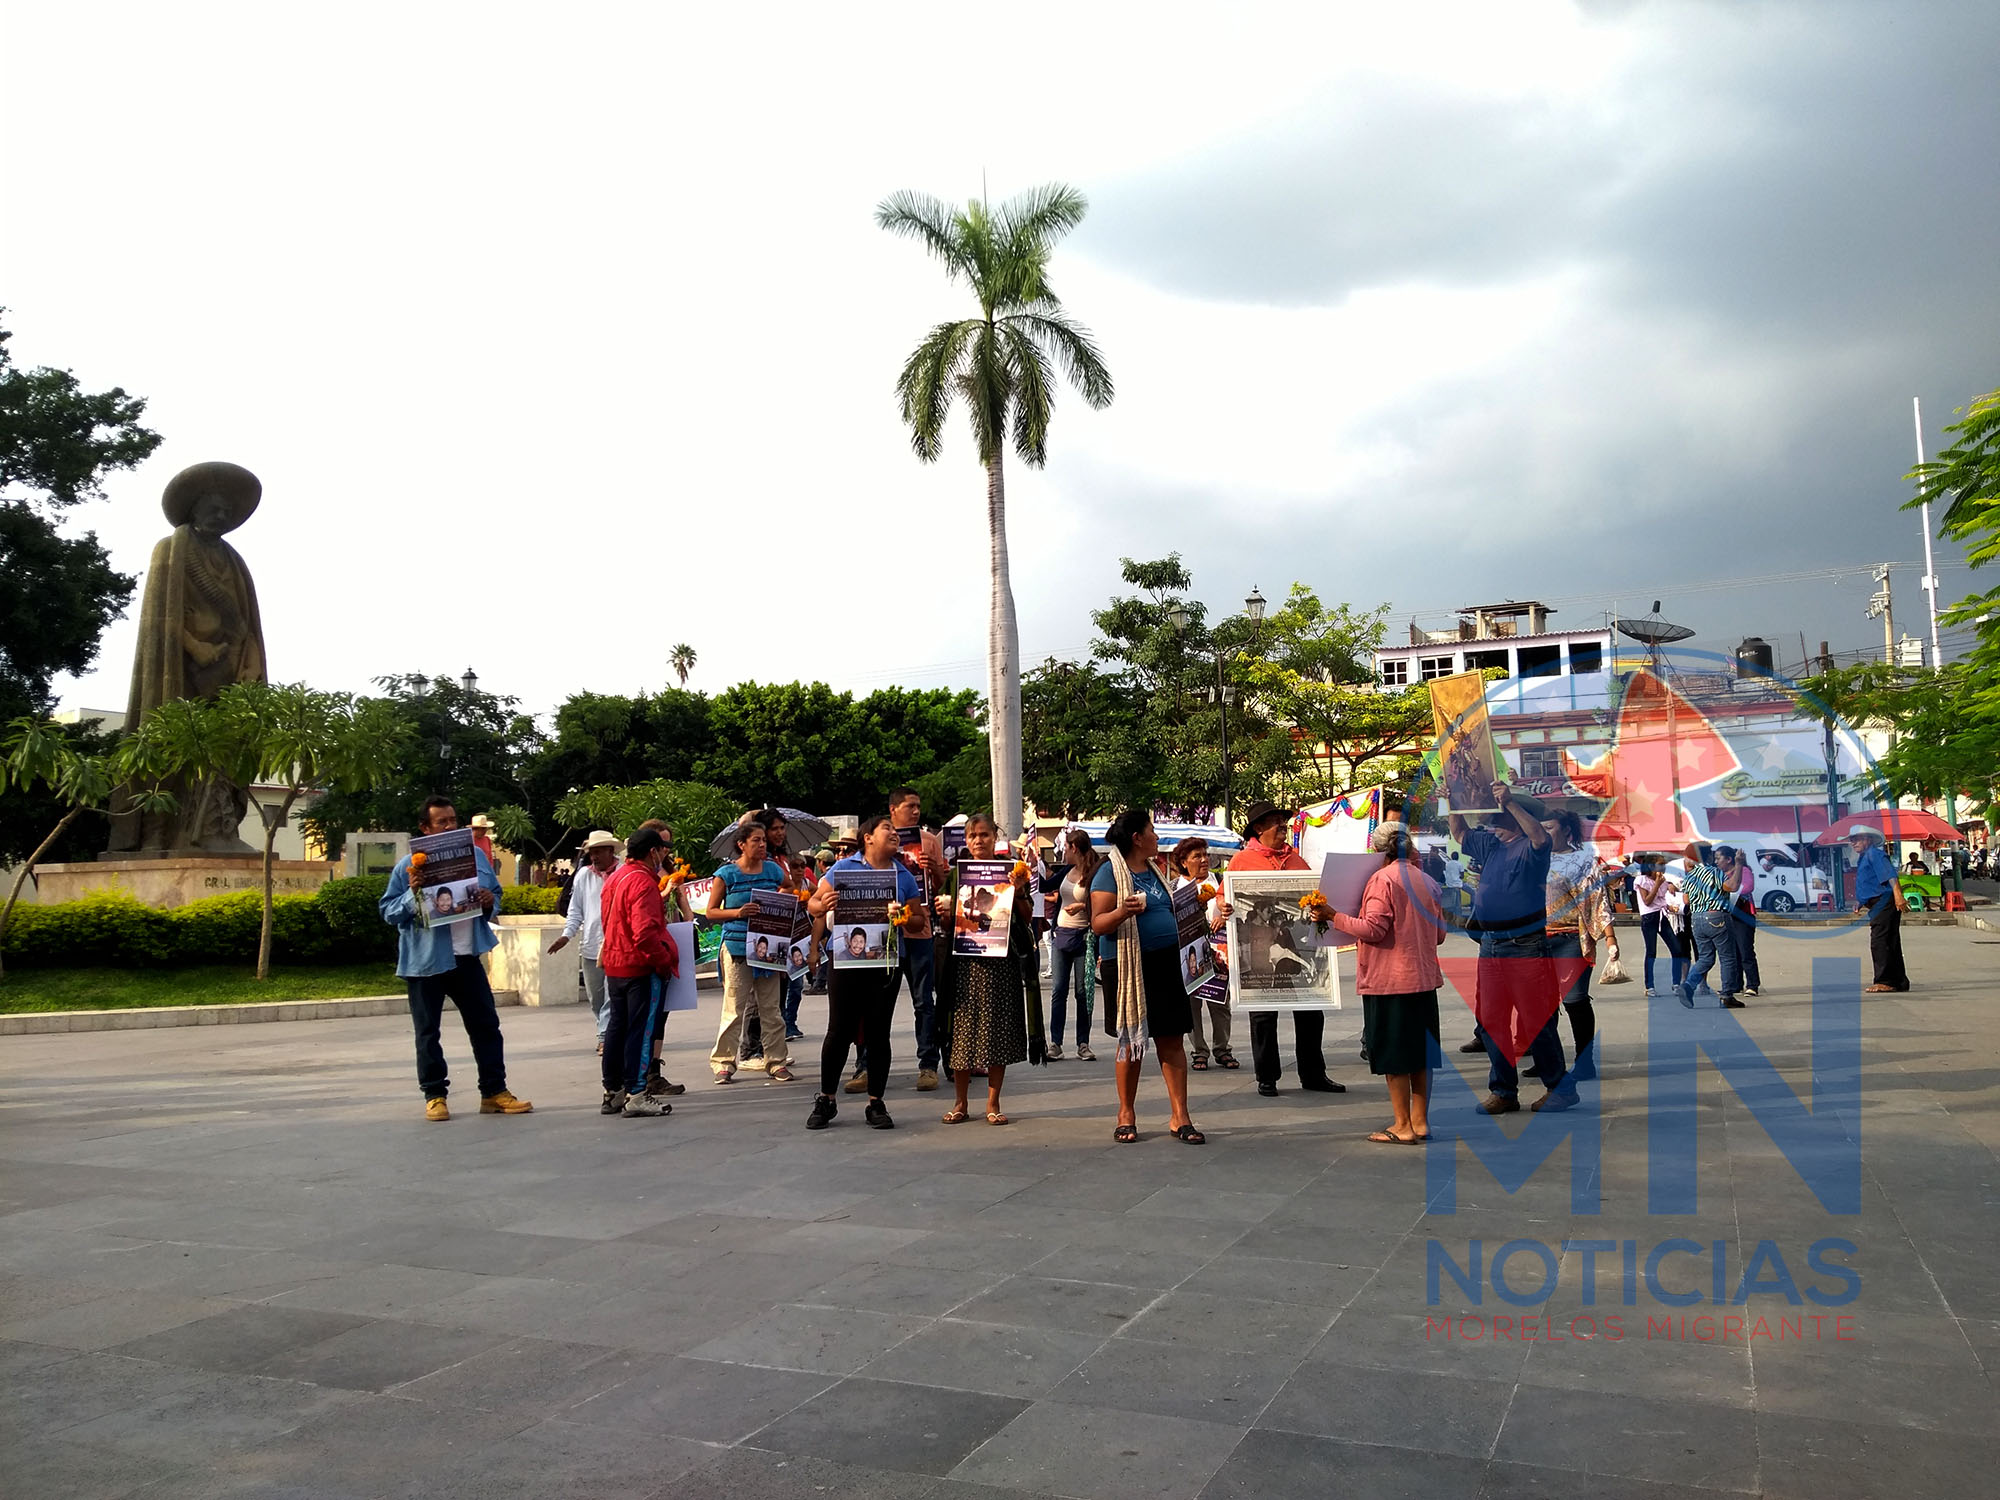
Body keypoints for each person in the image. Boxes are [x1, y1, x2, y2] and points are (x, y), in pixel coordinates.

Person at [378, 796, 532, 1122]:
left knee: (486, 1026)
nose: (450, 826)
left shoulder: (475, 856)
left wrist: (490, 900)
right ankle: (434, 1096)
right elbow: (389, 912)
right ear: (425, 828)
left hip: (466, 956)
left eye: (453, 820)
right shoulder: (408, 866)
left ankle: (493, 1091)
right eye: (441, 822)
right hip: (425, 962)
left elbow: (495, 896)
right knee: (427, 1032)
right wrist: (412, 892)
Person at [1449, 783, 1575, 1114]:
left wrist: (1512, 804)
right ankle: (1504, 1090)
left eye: (1498, 816)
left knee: (1536, 1019)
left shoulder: (1530, 847)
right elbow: (1460, 832)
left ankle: (1559, 1087)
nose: (1491, 822)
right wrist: (1451, 799)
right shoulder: (1491, 845)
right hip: (1490, 944)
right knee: (1491, 1020)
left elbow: (1540, 838)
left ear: (1515, 819)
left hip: (1525, 945)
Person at [1329, 823, 1449, 1144]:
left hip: (1390, 982)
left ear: (1378, 853)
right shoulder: (1427, 881)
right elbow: (1439, 935)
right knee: (1421, 1055)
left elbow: (1373, 929)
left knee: (1394, 1054)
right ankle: (1420, 1122)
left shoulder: (1382, 880)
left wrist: (1333, 915)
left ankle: (1401, 1125)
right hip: (1423, 980)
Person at [1091, 808, 1202, 1143]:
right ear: (1137, 838)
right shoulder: (1109, 873)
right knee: (1131, 1041)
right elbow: (1098, 924)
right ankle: (1126, 1113)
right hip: (1128, 967)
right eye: (1152, 831)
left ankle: (1180, 1116)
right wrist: (1122, 911)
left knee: (1172, 1038)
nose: (1157, 837)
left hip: (1168, 963)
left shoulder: (1155, 871)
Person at [804, 813, 921, 1130]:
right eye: (887, 829)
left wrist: (903, 916)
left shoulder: (903, 876)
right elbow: (813, 905)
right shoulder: (843, 868)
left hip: (884, 963)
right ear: (868, 837)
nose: (894, 833)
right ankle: (826, 1099)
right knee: (838, 1030)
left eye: (896, 831)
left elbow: (919, 922)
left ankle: (876, 1102)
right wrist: (822, 903)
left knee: (878, 1033)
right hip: (845, 962)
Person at [934, 813, 1042, 1124]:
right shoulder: (957, 875)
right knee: (962, 1034)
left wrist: (1019, 889)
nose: (979, 841)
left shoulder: (1012, 871)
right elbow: (946, 923)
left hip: (1000, 962)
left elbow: (1025, 915)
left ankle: (993, 1103)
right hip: (964, 963)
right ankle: (961, 1102)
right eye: (973, 836)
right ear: (965, 841)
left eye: (984, 835)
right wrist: (944, 910)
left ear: (995, 838)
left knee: (997, 1031)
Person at [1229, 801, 1342, 1098]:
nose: (1283, 826)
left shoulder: (1296, 860)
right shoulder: (1241, 861)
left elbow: (1311, 894)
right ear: (1258, 828)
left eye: (1284, 821)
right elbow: (1222, 898)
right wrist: (1221, 906)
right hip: (1261, 955)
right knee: (1263, 1016)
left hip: (1292, 949)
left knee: (1311, 1010)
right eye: (1276, 822)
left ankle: (1313, 1074)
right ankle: (1267, 1076)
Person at [854, 787, 949, 1093]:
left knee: (924, 1002)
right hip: (882, 936)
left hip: (919, 933)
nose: (916, 811)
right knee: (874, 1003)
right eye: (910, 806)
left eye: (919, 806)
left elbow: (941, 883)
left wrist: (931, 868)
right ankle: (866, 1066)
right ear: (893, 810)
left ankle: (927, 1065)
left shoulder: (928, 840)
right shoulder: (880, 840)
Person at [597, 827, 680, 1117]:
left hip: (616, 963)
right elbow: (644, 933)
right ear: (652, 851)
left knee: (616, 1029)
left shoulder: (616, 877)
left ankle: (613, 1091)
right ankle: (636, 1092)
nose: (664, 855)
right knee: (642, 1032)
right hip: (639, 966)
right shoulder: (644, 882)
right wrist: (662, 961)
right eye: (662, 850)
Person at [705, 820, 796, 1083]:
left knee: (771, 1008)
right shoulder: (726, 874)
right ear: (741, 845)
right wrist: (738, 912)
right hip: (735, 947)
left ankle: (776, 1061)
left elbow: (789, 886)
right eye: (755, 840)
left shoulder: (772, 869)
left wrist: (777, 901)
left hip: (768, 947)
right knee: (734, 1007)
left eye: (763, 840)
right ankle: (724, 1062)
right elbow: (711, 912)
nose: (762, 844)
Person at [1542, 809, 1610, 1081]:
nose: (1544, 833)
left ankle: (1585, 1061)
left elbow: (1597, 899)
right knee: (1543, 1006)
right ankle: (1548, 1060)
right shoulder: (1535, 857)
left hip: (1571, 937)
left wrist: (1610, 938)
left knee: (1575, 1001)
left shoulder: (1583, 859)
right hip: (1537, 940)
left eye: (1549, 827)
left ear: (1567, 831)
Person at [547, 830, 621, 1054]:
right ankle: (606, 1030)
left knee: (612, 995)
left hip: (617, 945)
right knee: (596, 998)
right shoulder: (583, 876)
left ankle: (605, 1038)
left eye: (598, 852)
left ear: (610, 851)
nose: (594, 857)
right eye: (591, 853)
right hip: (590, 945)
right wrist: (566, 935)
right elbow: (575, 911)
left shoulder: (623, 873)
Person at [1168, 837, 1237, 1071]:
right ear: (1184, 862)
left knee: (1220, 1003)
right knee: (1191, 1005)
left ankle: (1222, 1048)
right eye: (1197, 856)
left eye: (1205, 855)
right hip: (1188, 954)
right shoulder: (1174, 888)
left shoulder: (1219, 882)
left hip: (1218, 951)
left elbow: (1236, 910)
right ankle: (1199, 1050)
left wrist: (1225, 915)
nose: (1204, 860)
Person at [1046, 828, 1100, 1062]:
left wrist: (1081, 907)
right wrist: (1032, 864)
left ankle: (1083, 1043)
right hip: (1061, 935)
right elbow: (1045, 886)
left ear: (1074, 848)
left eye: (1065, 848)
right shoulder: (1067, 871)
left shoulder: (1095, 872)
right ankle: (1055, 1043)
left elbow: (1103, 903)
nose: (1063, 853)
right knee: (1058, 990)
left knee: (1082, 992)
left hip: (1084, 938)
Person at [1674, 841, 1742, 1009]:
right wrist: (1739, 864)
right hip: (1716, 916)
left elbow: (1686, 900)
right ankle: (1727, 995)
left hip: (1696, 919)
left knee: (1705, 957)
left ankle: (1688, 985)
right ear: (1709, 856)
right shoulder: (1714, 873)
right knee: (1727, 958)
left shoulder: (1689, 876)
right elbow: (1732, 887)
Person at [1849, 825, 1909, 993]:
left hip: (1884, 902)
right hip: (1877, 903)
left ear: (1868, 839)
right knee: (1890, 941)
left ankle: (1885, 980)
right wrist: (1861, 901)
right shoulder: (1864, 857)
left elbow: (1890, 875)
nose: (1853, 843)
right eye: (1852, 840)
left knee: (1880, 941)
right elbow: (1869, 882)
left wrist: (1898, 896)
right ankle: (1899, 981)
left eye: (1857, 839)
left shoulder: (1875, 854)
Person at [1633, 853, 1687, 997]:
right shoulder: (1641, 880)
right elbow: (1648, 901)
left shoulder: (1664, 881)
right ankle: (1649, 986)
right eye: (1660, 864)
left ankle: (1676, 983)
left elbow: (1661, 900)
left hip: (1662, 916)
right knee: (1651, 952)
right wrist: (1657, 884)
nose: (1663, 867)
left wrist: (1670, 907)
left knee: (1677, 949)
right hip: (1649, 918)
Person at [1718, 846, 1763, 997]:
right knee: (1732, 953)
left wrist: (1728, 888)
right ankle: (1735, 984)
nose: (1717, 862)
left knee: (1745, 951)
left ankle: (1752, 984)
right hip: (1727, 917)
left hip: (1743, 916)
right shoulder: (1719, 874)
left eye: (1719, 858)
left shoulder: (1744, 871)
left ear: (1729, 859)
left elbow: (1747, 887)